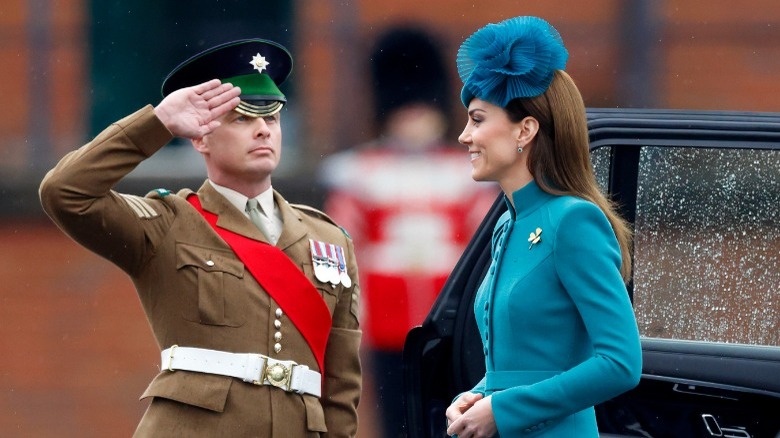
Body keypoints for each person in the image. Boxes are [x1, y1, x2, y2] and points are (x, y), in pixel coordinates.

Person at [40, 39, 361, 437]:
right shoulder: (167, 224)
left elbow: (342, 385)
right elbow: (65, 192)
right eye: (242, 118)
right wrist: (157, 124)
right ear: (200, 137)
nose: (262, 129)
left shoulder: (328, 240)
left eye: (272, 118)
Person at [444, 17, 642, 438]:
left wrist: (506, 408)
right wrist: (479, 395)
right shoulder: (506, 223)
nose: (464, 136)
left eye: (477, 119)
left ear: (526, 130)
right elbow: (520, 363)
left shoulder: (573, 220)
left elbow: (621, 363)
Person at [319, 27, 497, 438]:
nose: (415, 121)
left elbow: (486, 251)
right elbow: (343, 249)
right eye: (407, 111)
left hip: (454, 323)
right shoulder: (359, 173)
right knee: (399, 422)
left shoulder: (467, 173)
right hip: (386, 323)